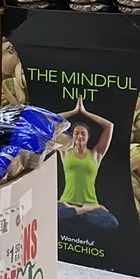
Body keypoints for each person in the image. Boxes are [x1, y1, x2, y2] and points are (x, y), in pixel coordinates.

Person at [58, 99, 117, 232]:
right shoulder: (65, 151)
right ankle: (81, 211)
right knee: (53, 210)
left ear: (88, 137)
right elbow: (51, 122)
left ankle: (80, 211)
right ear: (72, 136)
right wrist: (74, 112)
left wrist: (85, 112)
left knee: (112, 222)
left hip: (90, 205)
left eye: (83, 133)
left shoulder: (96, 154)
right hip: (66, 203)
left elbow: (109, 126)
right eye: (76, 133)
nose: (79, 136)